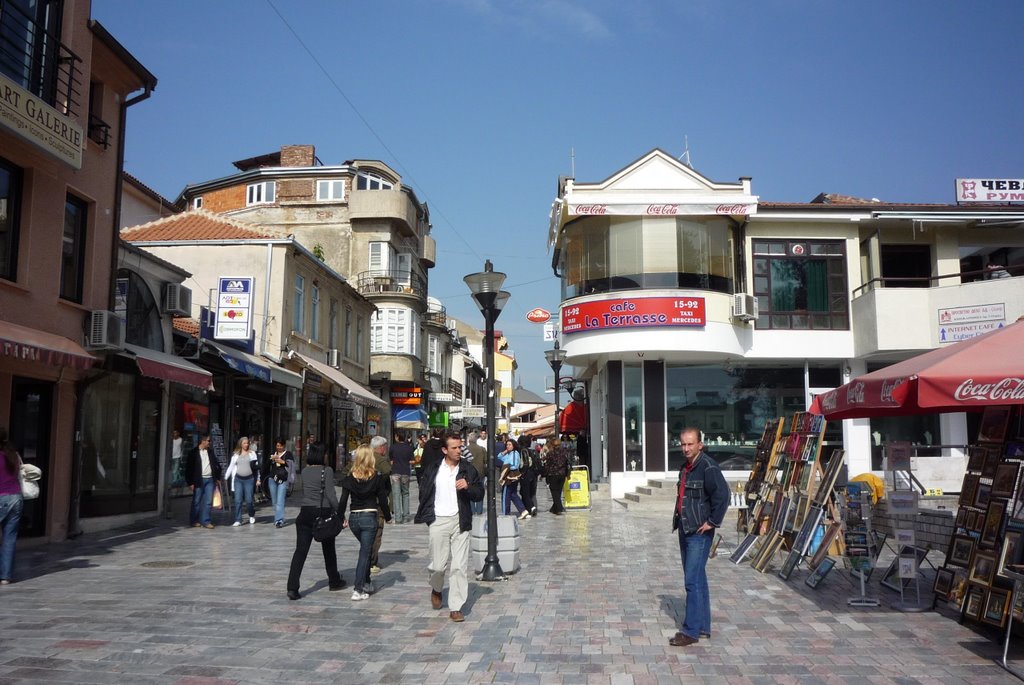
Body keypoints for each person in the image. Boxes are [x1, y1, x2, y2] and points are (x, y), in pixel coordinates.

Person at [414, 432, 484, 622]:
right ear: (445, 450)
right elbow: (424, 492)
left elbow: (479, 493)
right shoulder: (433, 468)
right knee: (438, 566)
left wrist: (468, 487)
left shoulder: (468, 469)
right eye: (454, 447)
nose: (458, 450)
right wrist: (430, 516)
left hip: (460, 521)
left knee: (459, 567)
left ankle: (456, 607)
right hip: (438, 520)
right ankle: (436, 588)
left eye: (460, 447)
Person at [669, 427, 729, 647]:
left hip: (699, 533)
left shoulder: (708, 467)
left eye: (690, 444)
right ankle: (703, 626)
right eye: (683, 444)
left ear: (699, 445)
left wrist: (712, 522)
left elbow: (723, 495)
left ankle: (691, 631)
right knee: (698, 579)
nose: (686, 448)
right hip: (685, 528)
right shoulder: (685, 468)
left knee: (691, 581)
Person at [285, 443, 346, 600]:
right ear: (322, 455)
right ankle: (334, 580)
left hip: (305, 513)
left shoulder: (305, 471)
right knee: (328, 549)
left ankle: (292, 587)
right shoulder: (327, 471)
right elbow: (331, 495)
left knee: (300, 551)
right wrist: (340, 514)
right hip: (322, 512)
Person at [339, 444, 392, 600]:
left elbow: (342, 501)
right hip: (369, 518)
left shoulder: (349, 478)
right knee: (364, 553)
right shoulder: (376, 477)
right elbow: (382, 499)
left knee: (366, 550)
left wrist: (340, 517)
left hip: (354, 519)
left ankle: (367, 582)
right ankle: (358, 588)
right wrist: (388, 517)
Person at [0, 428, 24, 584]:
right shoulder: (13, 455)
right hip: (16, 498)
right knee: (9, 538)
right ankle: (5, 577)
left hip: (1, 497)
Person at [185, 434, 222, 529]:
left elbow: (217, 465)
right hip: (198, 479)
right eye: (208, 441)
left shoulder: (210, 452)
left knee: (208, 501)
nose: (209, 443)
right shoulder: (193, 453)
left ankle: (206, 521)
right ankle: (194, 520)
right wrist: (190, 482)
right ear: (203, 441)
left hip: (210, 479)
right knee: (196, 501)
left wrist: (217, 477)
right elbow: (188, 469)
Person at [368, 435, 392, 574]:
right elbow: (388, 471)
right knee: (377, 532)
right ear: (381, 447)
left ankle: (368, 558)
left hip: (363, 501)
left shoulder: (365, 457)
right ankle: (372, 561)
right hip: (378, 501)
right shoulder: (381, 460)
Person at [225, 436, 260, 526]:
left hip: (249, 479)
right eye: (244, 443)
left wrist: (258, 479)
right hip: (238, 480)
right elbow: (231, 467)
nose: (246, 445)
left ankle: (251, 514)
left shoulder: (252, 454)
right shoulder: (236, 454)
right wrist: (225, 477)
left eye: (247, 443)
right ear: (240, 444)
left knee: (249, 500)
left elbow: (256, 468)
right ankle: (238, 519)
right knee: (238, 500)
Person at [265, 439, 295, 527]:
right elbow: (266, 466)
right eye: (277, 446)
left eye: (280, 446)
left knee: (280, 501)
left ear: (284, 445)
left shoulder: (288, 454)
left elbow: (291, 466)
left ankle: (279, 520)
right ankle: (278, 517)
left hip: (283, 479)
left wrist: (282, 461)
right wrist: (271, 459)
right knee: (274, 501)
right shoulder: (273, 454)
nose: (279, 447)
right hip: (272, 479)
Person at [497, 438, 528, 519]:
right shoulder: (509, 453)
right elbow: (499, 457)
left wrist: (507, 468)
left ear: (514, 445)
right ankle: (523, 510)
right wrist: (504, 452)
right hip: (510, 475)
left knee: (506, 495)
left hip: (510, 476)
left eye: (510, 444)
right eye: (507, 445)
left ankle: (505, 513)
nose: (508, 446)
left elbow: (514, 465)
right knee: (513, 494)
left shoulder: (514, 453)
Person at [389, 433, 414, 524]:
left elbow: (391, 460)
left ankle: (398, 518)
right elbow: (412, 460)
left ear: (397, 437)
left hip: (395, 472)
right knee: (405, 494)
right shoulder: (409, 447)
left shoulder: (393, 447)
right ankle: (406, 516)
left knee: (396, 495)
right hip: (405, 472)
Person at [542, 438, 570, 515]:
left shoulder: (550, 453)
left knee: (554, 492)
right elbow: (567, 463)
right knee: (558, 492)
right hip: (562, 474)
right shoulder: (564, 452)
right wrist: (567, 474)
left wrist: (544, 475)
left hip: (553, 474)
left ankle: (559, 508)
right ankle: (553, 509)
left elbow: (547, 466)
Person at [466, 431, 487, 515]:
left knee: (470, 491)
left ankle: (472, 510)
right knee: (480, 491)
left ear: (469, 440)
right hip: (480, 473)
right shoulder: (482, 449)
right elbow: (486, 461)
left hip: (469, 474)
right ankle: (479, 510)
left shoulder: (465, 449)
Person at [517, 434, 539, 517]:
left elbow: (525, 463)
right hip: (532, 473)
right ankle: (528, 508)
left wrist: (522, 473)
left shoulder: (523, 450)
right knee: (529, 492)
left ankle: (531, 507)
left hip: (526, 473)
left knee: (525, 492)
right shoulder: (532, 450)